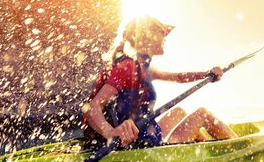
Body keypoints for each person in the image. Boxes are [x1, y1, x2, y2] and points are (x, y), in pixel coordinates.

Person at [82, 15, 237, 148]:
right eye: (162, 33)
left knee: (179, 112)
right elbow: (92, 108)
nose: (165, 38)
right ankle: (240, 149)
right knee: (202, 114)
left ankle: (205, 149)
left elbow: (178, 77)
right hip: (139, 146)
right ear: (149, 36)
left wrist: (207, 74)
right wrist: (110, 132)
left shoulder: (144, 68)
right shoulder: (127, 67)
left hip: (147, 137)